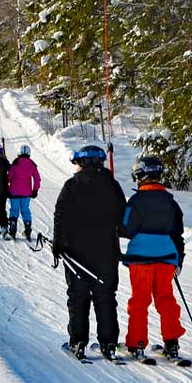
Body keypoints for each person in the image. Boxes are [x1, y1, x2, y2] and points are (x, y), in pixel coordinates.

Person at [53, 144, 126, 361]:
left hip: (76, 254)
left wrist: (59, 244)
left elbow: (61, 216)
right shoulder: (113, 186)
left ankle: (78, 342)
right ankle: (109, 343)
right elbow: (123, 218)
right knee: (105, 297)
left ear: (81, 162)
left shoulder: (71, 185)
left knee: (78, 297)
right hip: (106, 252)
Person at [120, 155, 186, 362]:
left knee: (140, 300)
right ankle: (172, 344)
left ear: (140, 174)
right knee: (166, 300)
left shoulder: (136, 200)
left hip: (141, 258)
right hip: (166, 257)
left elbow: (126, 229)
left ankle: (137, 344)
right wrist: (179, 260)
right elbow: (178, 233)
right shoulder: (170, 201)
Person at [6, 144, 42, 239]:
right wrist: (35, 190)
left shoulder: (15, 163)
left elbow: (9, 178)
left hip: (14, 192)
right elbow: (37, 179)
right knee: (25, 210)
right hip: (26, 193)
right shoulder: (32, 164)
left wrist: (6, 186)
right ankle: (27, 231)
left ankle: (12, 231)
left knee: (14, 210)